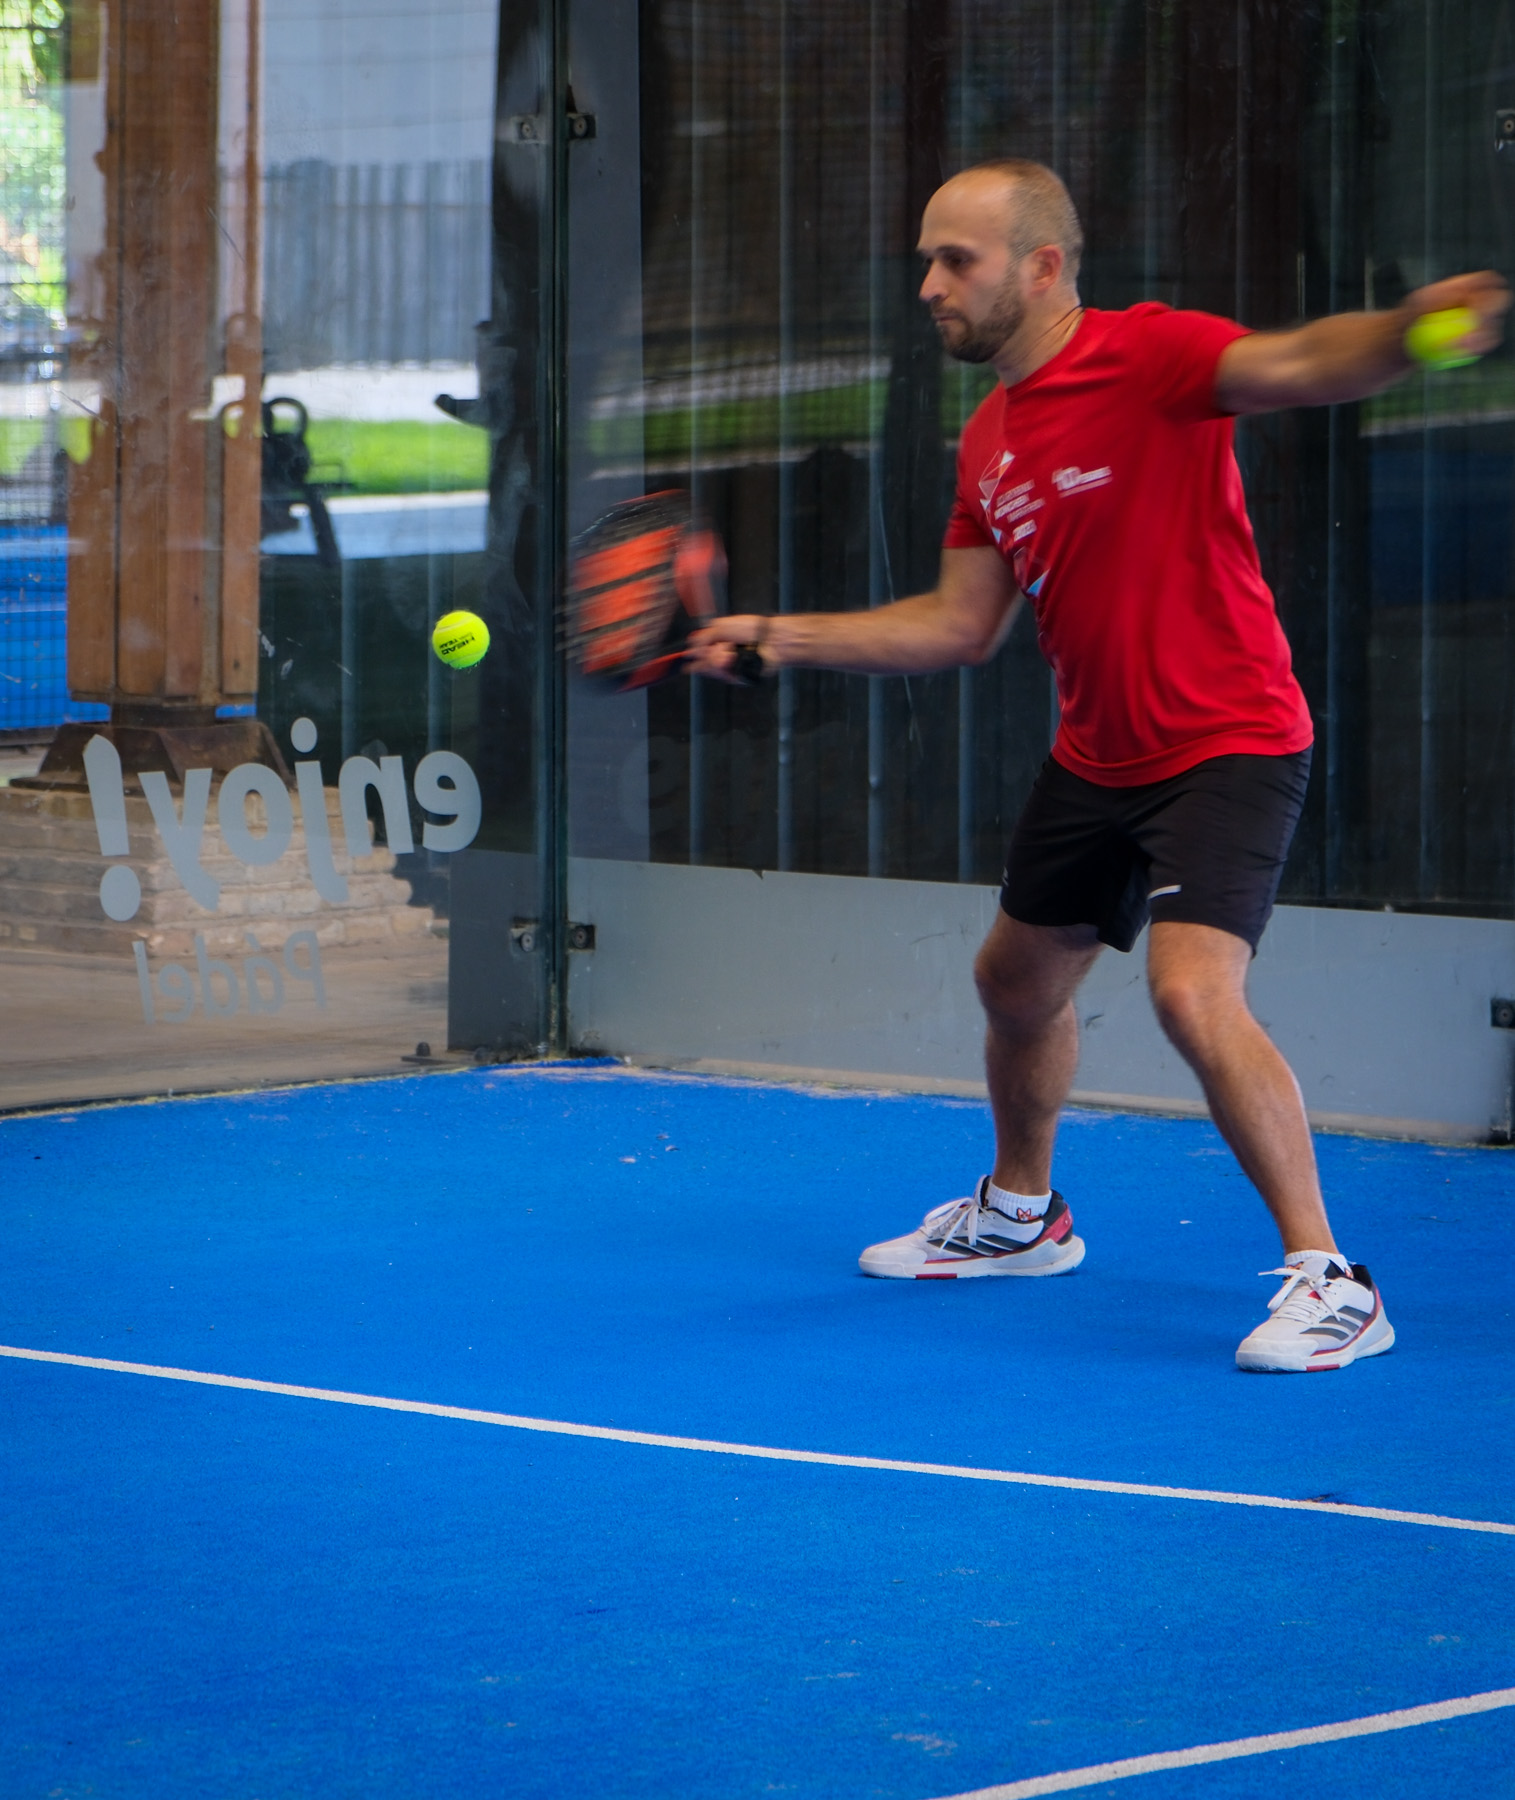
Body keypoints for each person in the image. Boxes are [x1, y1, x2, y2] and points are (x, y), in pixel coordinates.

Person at [686, 158, 1510, 1373]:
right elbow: (960, 627)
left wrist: (1405, 334)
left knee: (1191, 994)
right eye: (923, 259)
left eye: (954, 259)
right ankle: (1023, 1217)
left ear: (1044, 266)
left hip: (1228, 735)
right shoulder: (990, 438)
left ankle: (1334, 1280)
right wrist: (780, 635)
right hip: (1100, 754)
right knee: (1015, 985)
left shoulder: (1148, 357)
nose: (928, 285)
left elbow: (1299, 363)